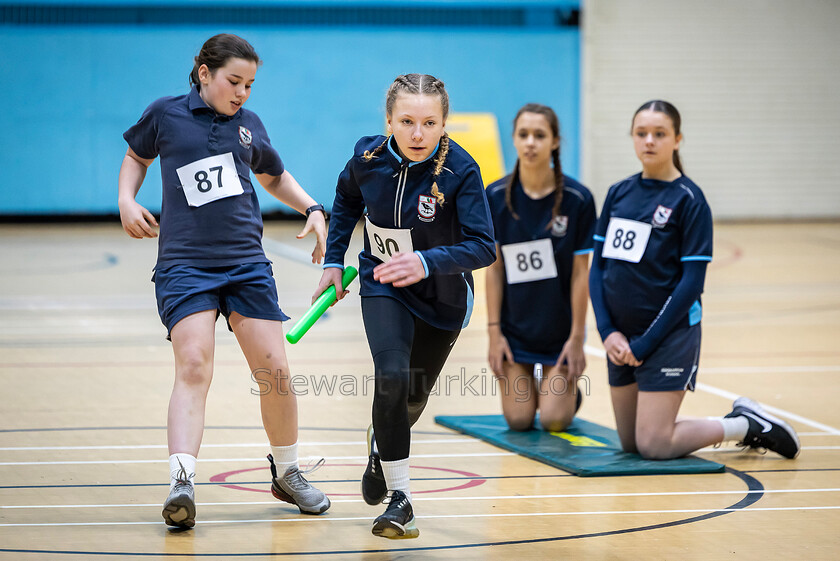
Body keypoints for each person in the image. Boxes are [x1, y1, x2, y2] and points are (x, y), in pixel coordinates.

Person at [118, 34, 331, 528]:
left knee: (275, 367)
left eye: (250, 85)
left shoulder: (249, 126)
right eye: (234, 81)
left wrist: (313, 208)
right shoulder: (166, 115)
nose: (242, 93)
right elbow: (136, 157)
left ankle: (288, 472)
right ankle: (182, 482)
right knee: (194, 363)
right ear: (203, 73)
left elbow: (273, 175)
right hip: (185, 265)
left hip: (246, 264)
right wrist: (128, 199)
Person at [315, 73, 496, 539]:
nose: (418, 134)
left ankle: (380, 449)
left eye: (429, 123)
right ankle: (402, 500)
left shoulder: (462, 170)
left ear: (443, 123)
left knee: (409, 401)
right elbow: (346, 199)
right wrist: (333, 260)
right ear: (389, 120)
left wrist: (426, 260)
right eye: (407, 122)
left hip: (443, 298)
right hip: (383, 282)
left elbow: (484, 247)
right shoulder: (367, 156)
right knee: (392, 378)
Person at [589, 100, 800, 460]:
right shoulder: (618, 193)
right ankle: (669, 419)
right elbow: (599, 269)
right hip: (621, 338)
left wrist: (645, 344)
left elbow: (691, 285)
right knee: (631, 443)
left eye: (660, 133)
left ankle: (746, 425)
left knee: (654, 445)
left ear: (678, 139)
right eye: (641, 134)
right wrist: (608, 332)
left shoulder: (690, 200)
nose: (649, 141)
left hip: (667, 336)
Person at [485, 104, 596, 432]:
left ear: (555, 141)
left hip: (558, 334)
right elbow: (494, 270)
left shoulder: (578, 199)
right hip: (515, 331)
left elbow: (581, 274)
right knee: (518, 420)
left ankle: (561, 396)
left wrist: (577, 338)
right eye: (523, 135)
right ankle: (540, 391)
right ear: (514, 140)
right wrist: (494, 334)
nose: (530, 142)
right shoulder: (494, 196)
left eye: (540, 135)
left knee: (554, 420)